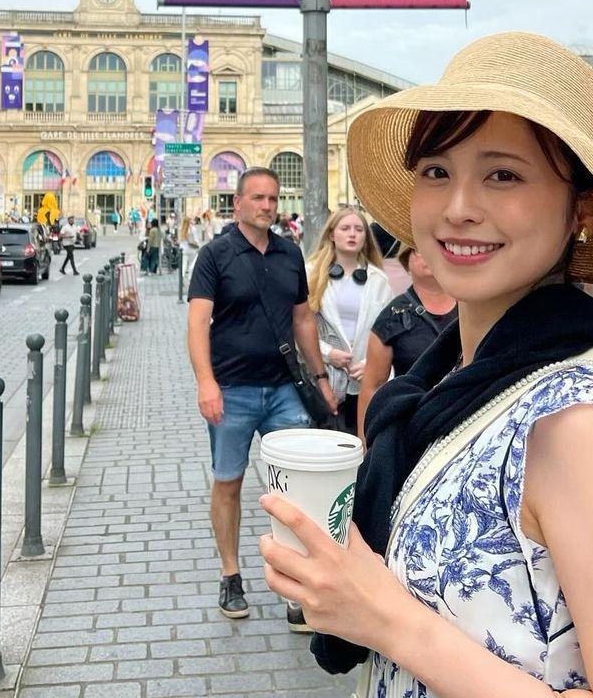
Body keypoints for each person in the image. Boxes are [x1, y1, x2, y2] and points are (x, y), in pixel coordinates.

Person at [258, 33, 593, 698]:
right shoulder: (447, 377)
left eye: (503, 175)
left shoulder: (575, 422)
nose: (459, 207)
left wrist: (386, 617)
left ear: (582, 206)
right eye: (437, 170)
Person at [187, 166, 338, 634]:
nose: (267, 206)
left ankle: (294, 586)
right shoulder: (215, 255)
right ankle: (231, 576)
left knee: (292, 490)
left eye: (273, 199)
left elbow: (303, 320)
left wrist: (320, 378)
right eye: (258, 198)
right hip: (231, 390)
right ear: (238, 204)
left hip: (284, 391)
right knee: (228, 481)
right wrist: (205, 383)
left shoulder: (290, 253)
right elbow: (197, 325)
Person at [305, 207, 392, 436]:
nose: (352, 234)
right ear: (332, 234)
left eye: (358, 229)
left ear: (366, 237)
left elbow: (388, 331)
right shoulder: (310, 273)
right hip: (324, 381)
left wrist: (371, 363)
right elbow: (298, 328)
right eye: (345, 228)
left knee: (360, 446)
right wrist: (328, 353)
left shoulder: (379, 280)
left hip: (364, 382)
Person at [357, 246, 456, 441]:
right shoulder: (391, 317)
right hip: (413, 427)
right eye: (417, 250)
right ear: (406, 261)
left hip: (465, 419)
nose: (426, 255)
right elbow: (372, 386)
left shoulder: (472, 305)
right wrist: (365, 446)